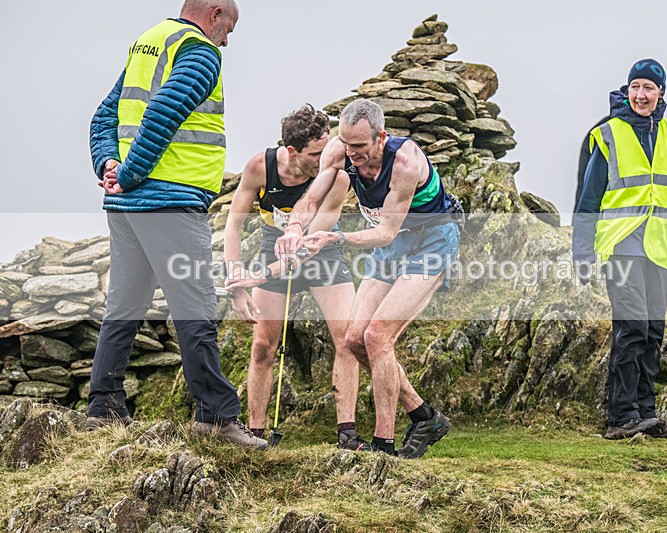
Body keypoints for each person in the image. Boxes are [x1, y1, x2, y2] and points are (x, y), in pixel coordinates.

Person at [87, 0, 268, 449]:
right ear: (215, 13)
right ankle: (217, 417)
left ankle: (104, 407)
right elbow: (163, 115)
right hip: (170, 201)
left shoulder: (149, 42)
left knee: (125, 305)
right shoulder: (199, 51)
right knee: (196, 308)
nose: (226, 42)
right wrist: (129, 174)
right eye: (228, 29)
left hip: (127, 208)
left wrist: (108, 164)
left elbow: (104, 115)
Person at [274, 99, 461, 458]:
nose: (351, 153)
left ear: (381, 137)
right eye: (346, 143)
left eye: (359, 146)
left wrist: (336, 238)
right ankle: (424, 417)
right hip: (393, 245)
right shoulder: (339, 150)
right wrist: (294, 227)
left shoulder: (405, 162)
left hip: (431, 240)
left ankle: (382, 446)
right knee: (354, 338)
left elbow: (385, 232)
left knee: (377, 337)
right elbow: (311, 200)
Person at [572, 59, 667, 440]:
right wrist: (582, 255)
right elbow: (587, 201)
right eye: (635, 87)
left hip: (657, 248)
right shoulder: (608, 135)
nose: (640, 95)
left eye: (648, 88)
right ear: (627, 90)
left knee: (652, 331)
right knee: (631, 328)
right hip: (619, 245)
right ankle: (621, 416)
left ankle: (646, 413)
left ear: (661, 93)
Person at [223, 105, 365, 449]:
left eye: (327, 150)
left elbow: (308, 246)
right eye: (316, 154)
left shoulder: (337, 176)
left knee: (347, 339)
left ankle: (347, 433)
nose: (325, 160)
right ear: (292, 151)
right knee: (262, 346)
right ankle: (255, 435)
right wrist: (236, 283)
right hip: (272, 246)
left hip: (320, 249)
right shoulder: (260, 167)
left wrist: (258, 277)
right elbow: (234, 224)